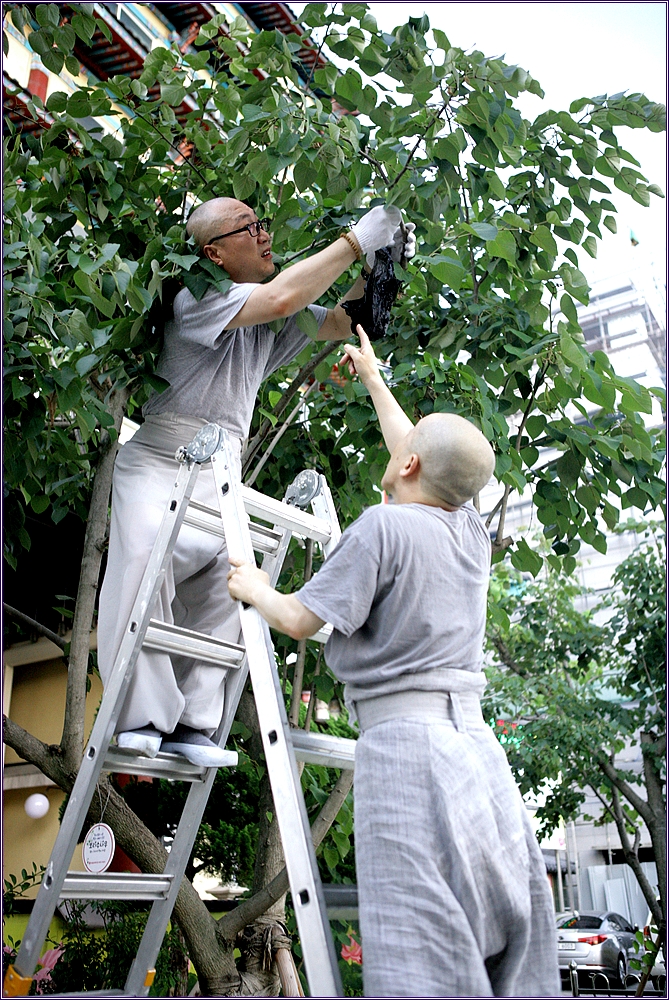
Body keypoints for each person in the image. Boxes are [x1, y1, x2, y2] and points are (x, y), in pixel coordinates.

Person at [227, 325, 562, 997]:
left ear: (408, 466)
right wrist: (375, 381)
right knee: (509, 940)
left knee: (422, 951)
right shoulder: (470, 532)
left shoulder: (381, 527)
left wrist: (255, 585)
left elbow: (298, 621)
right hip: (477, 749)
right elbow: (421, 453)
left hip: (408, 748)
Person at [98, 198, 416, 767]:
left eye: (263, 224)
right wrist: (353, 241)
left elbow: (344, 320)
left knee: (229, 586)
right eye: (250, 228)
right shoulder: (195, 297)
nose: (265, 235)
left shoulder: (265, 315)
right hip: (162, 459)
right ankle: (138, 714)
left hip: (221, 470)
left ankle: (194, 724)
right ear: (214, 252)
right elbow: (285, 297)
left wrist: (380, 269)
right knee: (144, 565)